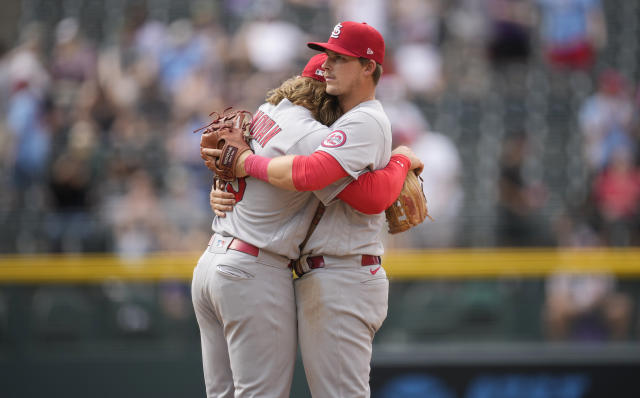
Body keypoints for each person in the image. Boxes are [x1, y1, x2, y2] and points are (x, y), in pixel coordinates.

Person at [193, 51, 422, 397]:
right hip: (253, 270)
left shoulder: (265, 112)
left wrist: (222, 186)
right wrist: (400, 159)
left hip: (213, 261)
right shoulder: (311, 138)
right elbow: (369, 196)